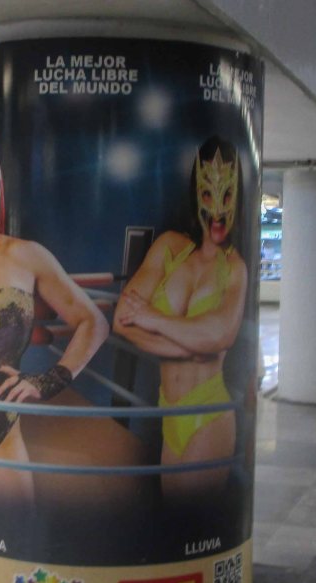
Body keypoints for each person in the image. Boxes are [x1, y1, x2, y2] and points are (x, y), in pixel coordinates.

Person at [0, 134, 109, 509]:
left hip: (1, 422)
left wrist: (48, 380)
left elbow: (93, 322)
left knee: (18, 522)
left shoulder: (29, 256)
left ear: (0, 192)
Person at [113, 136, 248, 499]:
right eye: (208, 194)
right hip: (169, 410)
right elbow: (122, 318)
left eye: (226, 195)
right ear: (196, 194)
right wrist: (187, 344)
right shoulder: (170, 248)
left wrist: (154, 318)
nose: (217, 210)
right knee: (173, 515)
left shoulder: (234, 268)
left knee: (189, 517)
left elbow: (220, 336)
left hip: (208, 412)